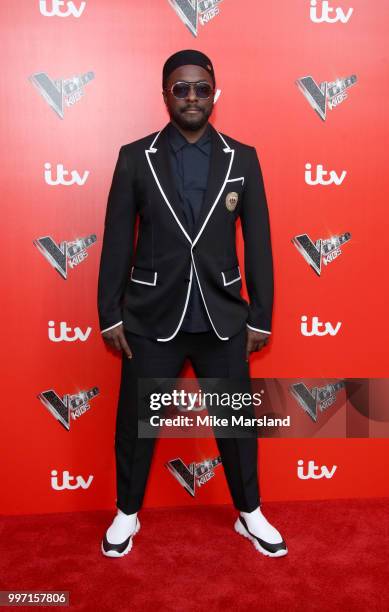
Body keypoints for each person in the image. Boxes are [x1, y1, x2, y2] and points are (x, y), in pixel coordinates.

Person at [97, 49, 287, 558]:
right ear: (165, 95)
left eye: (201, 88)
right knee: (137, 422)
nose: (192, 97)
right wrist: (110, 313)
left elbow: (260, 243)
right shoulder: (135, 157)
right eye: (181, 88)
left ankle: (250, 513)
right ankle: (126, 513)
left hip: (222, 315)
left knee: (236, 423)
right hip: (149, 315)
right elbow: (117, 240)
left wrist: (261, 318)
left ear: (214, 93)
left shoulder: (241, 158)